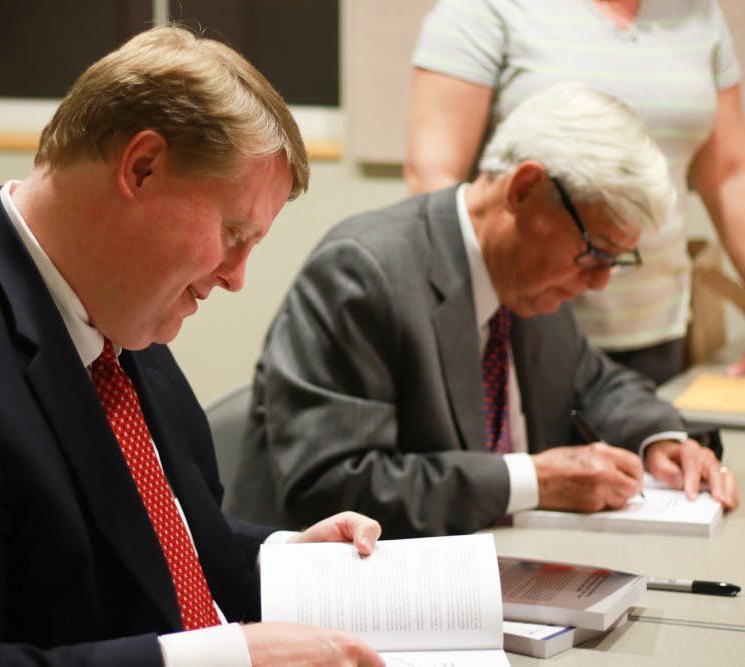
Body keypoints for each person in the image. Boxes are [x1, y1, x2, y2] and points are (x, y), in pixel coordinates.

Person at [0, 26, 388, 667]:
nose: (236, 275)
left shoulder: (112, 307)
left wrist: (278, 558)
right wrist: (226, 658)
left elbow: (140, 534)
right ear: (141, 168)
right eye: (232, 232)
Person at [227, 82, 739, 538]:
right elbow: (334, 488)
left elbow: (595, 381)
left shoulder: (532, 278)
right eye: (596, 250)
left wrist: (662, 438)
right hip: (347, 599)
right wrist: (531, 479)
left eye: (616, 259)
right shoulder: (363, 274)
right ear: (524, 190)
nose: (601, 280)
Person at [404, 0, 745, 385]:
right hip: (521, 327)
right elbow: (433, 176)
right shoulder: (485, 9)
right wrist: (479, 313)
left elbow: (729, 177)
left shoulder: (697, 14)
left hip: (654, 325)